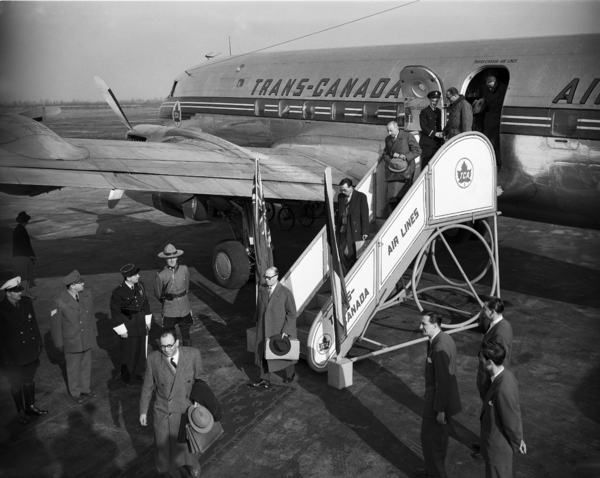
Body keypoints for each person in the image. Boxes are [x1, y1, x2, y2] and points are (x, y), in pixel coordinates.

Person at [140, 328, 207, 478]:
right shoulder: (153, 359)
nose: (167, 350)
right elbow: (147, 387)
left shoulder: (193, 354)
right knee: (164, 446)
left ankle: (192, 463)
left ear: (177, 342)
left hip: (186, 408)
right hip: (163, 410)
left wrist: (199, 401)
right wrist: (143, 411)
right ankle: (171, 470)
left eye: (170, 345)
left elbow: (201, 380)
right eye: (163, 346)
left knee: (188, 443)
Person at [419, 312, 462, 478]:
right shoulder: (443, 338)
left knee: (431, 440)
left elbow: (443, 381)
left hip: (437, 402)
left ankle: (435, 474)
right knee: (437, 440)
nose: (420, 327)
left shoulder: (439, 347)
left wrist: (440, 409)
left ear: (435, 325)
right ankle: (432, 471)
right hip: (440, 399)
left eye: (424, 324)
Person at [0, 276, 47, 424]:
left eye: (20, 290)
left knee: (29, 380)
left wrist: (39, 342)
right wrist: (5, 359)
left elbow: (33, 323)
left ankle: (30, 406)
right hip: (13, 356)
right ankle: (20, 411)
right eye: (16, 291)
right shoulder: (1, 310)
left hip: (29, 351)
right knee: (16, 384)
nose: (20, 293)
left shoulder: (26, 302)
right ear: (8, 293)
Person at [480, 341, 527, 478]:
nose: (480, 362)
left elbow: (510, 419)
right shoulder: (506, 376)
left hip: (498, 449)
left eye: (482, 359)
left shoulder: (502, 388)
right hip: (498, 447)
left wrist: (518, 440)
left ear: (490, 363)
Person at [51, 270, 97, 404]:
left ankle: (85, 389)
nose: (83, 283)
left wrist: (94, 334)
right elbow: (56, 325)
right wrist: (59, 344)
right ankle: (76, 393)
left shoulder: (86, 295)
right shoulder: (59, 301)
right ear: (72, 285)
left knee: (86, 365)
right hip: (72, 341)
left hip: (86, 338)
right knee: (73, 368)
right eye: (79, 282)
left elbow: (91, 317)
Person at [250, 266, 297, 389]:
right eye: (265, 277)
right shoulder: (262, 289)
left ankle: (290, 374)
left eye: (269, 277)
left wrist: (286, 330)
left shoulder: (285, 293)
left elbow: (292, 313)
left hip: (278, 330)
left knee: (283, 354)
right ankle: (265, 379)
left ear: (276, 277)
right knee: (263, 354)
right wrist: (256, 320)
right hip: (263, 328)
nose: (266, 280)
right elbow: (259, 307)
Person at [110, 263, 151, 384]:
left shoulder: (140, 286)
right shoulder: (118, 292)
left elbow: (145, 304)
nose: (138, 276)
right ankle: (126, 377)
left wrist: (148, 321)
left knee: (141, 351)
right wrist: (122, 330)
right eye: (135, 275)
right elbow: (115, 312)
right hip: (129, 328)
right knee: (129, 352)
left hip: (141, 325)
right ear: (128, 278)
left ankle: (139, 374)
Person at [154, 243, 193, 346]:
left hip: (184, 307)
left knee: (186, 335)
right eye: (169, 258)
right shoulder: (161, 274)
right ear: (165, 259)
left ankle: (187, 356)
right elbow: (158, 293)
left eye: (174, 257)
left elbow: (187, 285)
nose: (172, 260)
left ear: (177, 257)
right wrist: (167, 299)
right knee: (170, 337)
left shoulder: (184, 269)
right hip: (170, 309)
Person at [476, 297, 513, 401]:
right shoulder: (496, 324)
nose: (483, 311)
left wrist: (494, 381)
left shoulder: (501, 333)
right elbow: (483, 327)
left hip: (489, 378)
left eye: (485, 309)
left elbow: (500, 358)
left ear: (492, 312)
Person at [380, 120, 422, 212]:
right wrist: (390, 160)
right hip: (393, 172)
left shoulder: (407, 136)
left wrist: (406, 157)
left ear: (397, 128)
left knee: (403, 196)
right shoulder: (387, 139)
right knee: (392, 197)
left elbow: (418, 150)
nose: (389, 133)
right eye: (388, 131)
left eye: (391, 130)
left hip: (406, 171)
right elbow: (385, 153)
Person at [336, 178, 369, 274]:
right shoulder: (340, 197)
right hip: (343, 229)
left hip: (354, 229)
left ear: (351, 188)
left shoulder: (361, 197)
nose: (343, 192)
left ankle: (351, 274)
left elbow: (364, 215)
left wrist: (365, 232)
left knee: (352, 254)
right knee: (341, 254)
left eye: (345, 190)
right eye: (341, 190)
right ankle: (345, 275)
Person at [478, 75, 507, 169]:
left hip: (498, 118)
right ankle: (490, 163)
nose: (490, 88)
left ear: (495, 82)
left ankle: (497, 164)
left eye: (491, 86)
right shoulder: (484, 89)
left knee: (496, 143)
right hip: (488, 118)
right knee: (489, 141)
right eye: (488, 86)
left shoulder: (503, 89)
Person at [12, 211, 36, 297]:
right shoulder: (21, 230)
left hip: (19, 256)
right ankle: (25, 294)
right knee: (24, 276)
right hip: (23, 256)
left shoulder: (18, 229)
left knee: (24, 276)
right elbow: (26, 244)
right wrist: (31, 255)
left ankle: (26, 293)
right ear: (25, 221)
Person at [419, 90, 444, 169]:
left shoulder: (439, 112)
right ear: (430, 100)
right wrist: (434, 134)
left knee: (436, 164)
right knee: (426, 163)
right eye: (433, 101)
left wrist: (442, 134)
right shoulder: (424, 112)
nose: (434, 103)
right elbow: (423, 126)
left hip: (437, 142)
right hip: (427, 142)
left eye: (436, 101)